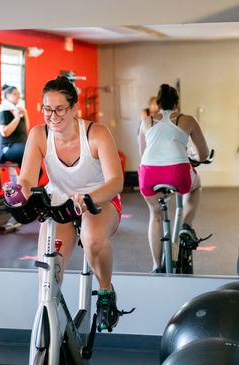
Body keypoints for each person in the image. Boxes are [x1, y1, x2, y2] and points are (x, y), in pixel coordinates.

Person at [17, 75, 124, 331]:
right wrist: (18, 194)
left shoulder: (96, 133)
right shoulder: (39, 135)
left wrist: (88, 199)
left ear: (75, 108)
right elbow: (27, 179)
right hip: (59, 202)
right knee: (47, 271)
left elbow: (116, 182)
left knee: (93, 238)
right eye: (47, 109)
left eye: (60, 109)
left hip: (99, 200)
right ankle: (52, 326)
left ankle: (106, 292)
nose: (53, 116)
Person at [138, 83, 210, 273]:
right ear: (177, 103)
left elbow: (142, 153)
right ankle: (186, 225)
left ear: (158, 103)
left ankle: (156, 265)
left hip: (148, 173)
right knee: (195, 187)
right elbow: (203, 155)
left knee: (155, 214)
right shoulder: (188, 120)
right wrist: (193, 158)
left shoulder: (146, 121)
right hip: (177, 172)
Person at [0, 84, 30, 167]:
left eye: (19, 94)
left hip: (20, 146)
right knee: (28, 152)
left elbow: (26, 128)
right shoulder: (3, 109)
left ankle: (24, 179)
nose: (19, 96)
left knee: (37, 171)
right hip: (7, 148)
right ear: (7, 95)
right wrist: (17, 118)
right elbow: (4, 132)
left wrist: (25, 114)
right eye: (15, 94)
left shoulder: (17, 109)